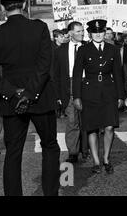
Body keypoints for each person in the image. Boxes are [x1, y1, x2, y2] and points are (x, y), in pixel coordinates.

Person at [0, 0, 60, 196]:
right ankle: (50, 193)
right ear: (24, 3)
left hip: (11, 100)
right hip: (40, 97)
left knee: (13, 153)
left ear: (1, 5)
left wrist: (14, 93)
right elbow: (44, 66)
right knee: (50, 146)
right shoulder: (39, 27)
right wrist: (30, 93)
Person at [72, 19, 125, 174]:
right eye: (95, 32)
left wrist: (121, 95)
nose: (98, 35)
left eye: (101, 32)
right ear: (90, 34)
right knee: (92, 128)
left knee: (109, 127)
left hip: (109, 91)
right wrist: (77, 96)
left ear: (104, 32)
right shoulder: (83, 50)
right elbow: (76, 75)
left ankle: (106, 159)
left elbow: (118, 74)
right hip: (90, 93)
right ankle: (96, 161)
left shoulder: (112, 49)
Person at [53, 21, 89, 164]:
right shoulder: (60, 50)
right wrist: (57, 96)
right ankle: (73, 152)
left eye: (82, 31)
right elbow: (55, 75)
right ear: (70, 33)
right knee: (72, 121)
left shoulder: (88, 47)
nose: (82, 33)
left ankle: (86, 149)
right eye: (78, 31)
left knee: (87, 120)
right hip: (68, 88)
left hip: (87, 86)